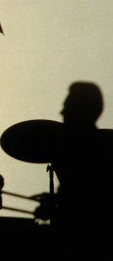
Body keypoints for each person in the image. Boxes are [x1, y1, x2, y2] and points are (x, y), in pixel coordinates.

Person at [51, 82, 113, 260]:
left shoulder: (90, 153)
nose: (61, 113)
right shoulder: (88, 149)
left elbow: (85, 203)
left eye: (67, 107)